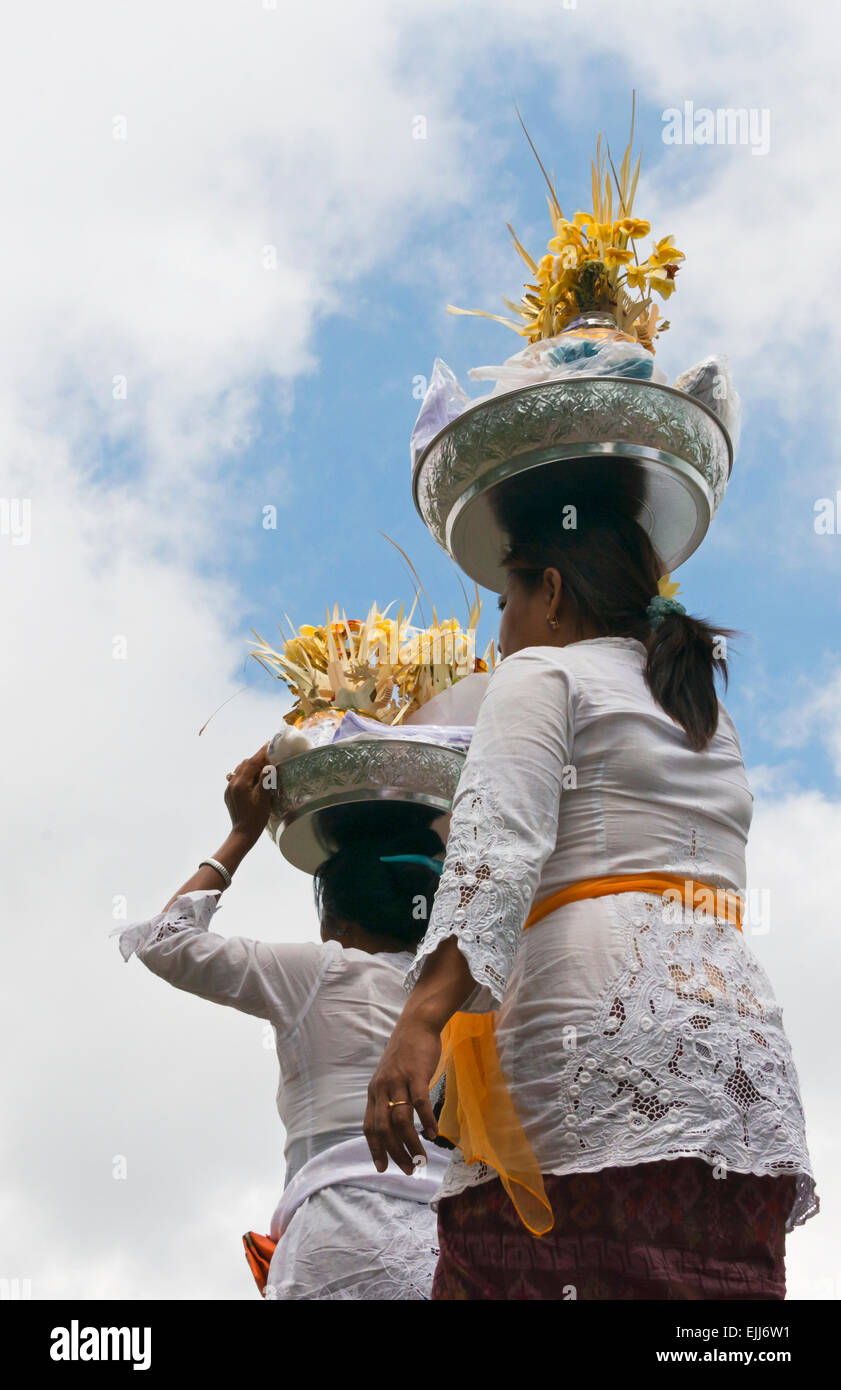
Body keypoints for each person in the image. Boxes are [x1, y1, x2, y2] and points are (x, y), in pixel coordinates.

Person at [365, 506, 819, 1301]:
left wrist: (419, 1020)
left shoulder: (542, 673)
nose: (500, 633)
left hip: (593, 1034)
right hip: (738, 1057)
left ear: (550, 592)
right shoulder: (704, 716)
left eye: (504, 603)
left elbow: (494, 850)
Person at [115, 744, 453, 1300]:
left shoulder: (323, 971)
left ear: (333, 916)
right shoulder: (473, 994)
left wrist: (241, 834)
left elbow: (163, 941)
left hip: (339, 1242)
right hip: (453, 1250)